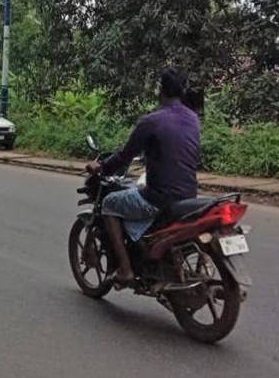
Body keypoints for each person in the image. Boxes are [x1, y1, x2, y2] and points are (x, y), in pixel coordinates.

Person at [85, 67, 200, 286]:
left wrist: (100, 167)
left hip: (159, 199)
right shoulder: (193, 118)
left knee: (110, 203)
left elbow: (125, 155)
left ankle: (126, 270)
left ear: (161, 90)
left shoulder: (152, 120)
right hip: (189, 196)